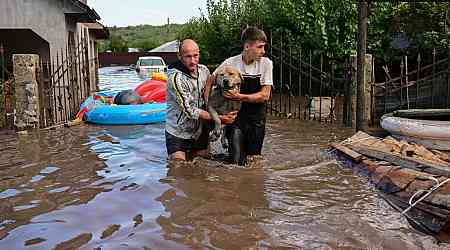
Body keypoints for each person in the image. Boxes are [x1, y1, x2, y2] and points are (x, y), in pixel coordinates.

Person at [208, 27, 273, 165]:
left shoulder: (266, 64)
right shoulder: (230, 63)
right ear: (247, 46)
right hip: (236, 119)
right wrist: (207, 102)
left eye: (264, 47)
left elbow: (265, 95)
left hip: (257, 120)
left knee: (253, 161)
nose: (263, 51)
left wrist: (239, 96)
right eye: (260, 47)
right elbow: (210, 80)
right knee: (236, 160)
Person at [165, 39, 236, 161]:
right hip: (178, 132)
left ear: (199, 54)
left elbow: (211, 95)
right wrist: (219, 119)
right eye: (188, 57)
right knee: (178, 169)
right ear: (179, 56)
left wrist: (233, 95)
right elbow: (190, 111)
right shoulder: (176, 79)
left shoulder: (204, 70)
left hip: (199, 130)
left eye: (195, 56)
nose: (192, 61)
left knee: (202, 167)